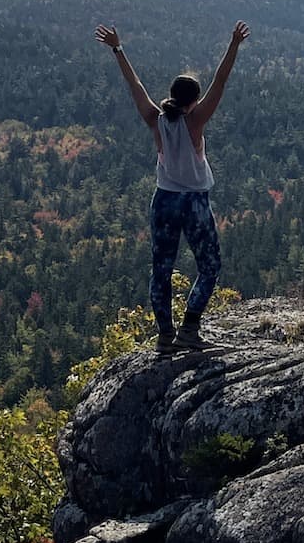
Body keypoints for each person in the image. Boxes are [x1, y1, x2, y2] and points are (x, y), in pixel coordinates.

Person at [95, 20, 250, 352]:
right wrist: (234, 43)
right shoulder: (195, 121)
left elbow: (134, 83)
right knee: (209, 266)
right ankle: (189, 329)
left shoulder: (156, 119)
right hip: (193, 202)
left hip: (163, 201)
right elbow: (220, 82)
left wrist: (118, 49)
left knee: (161, 269)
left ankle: (165, 336)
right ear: (193, 101)